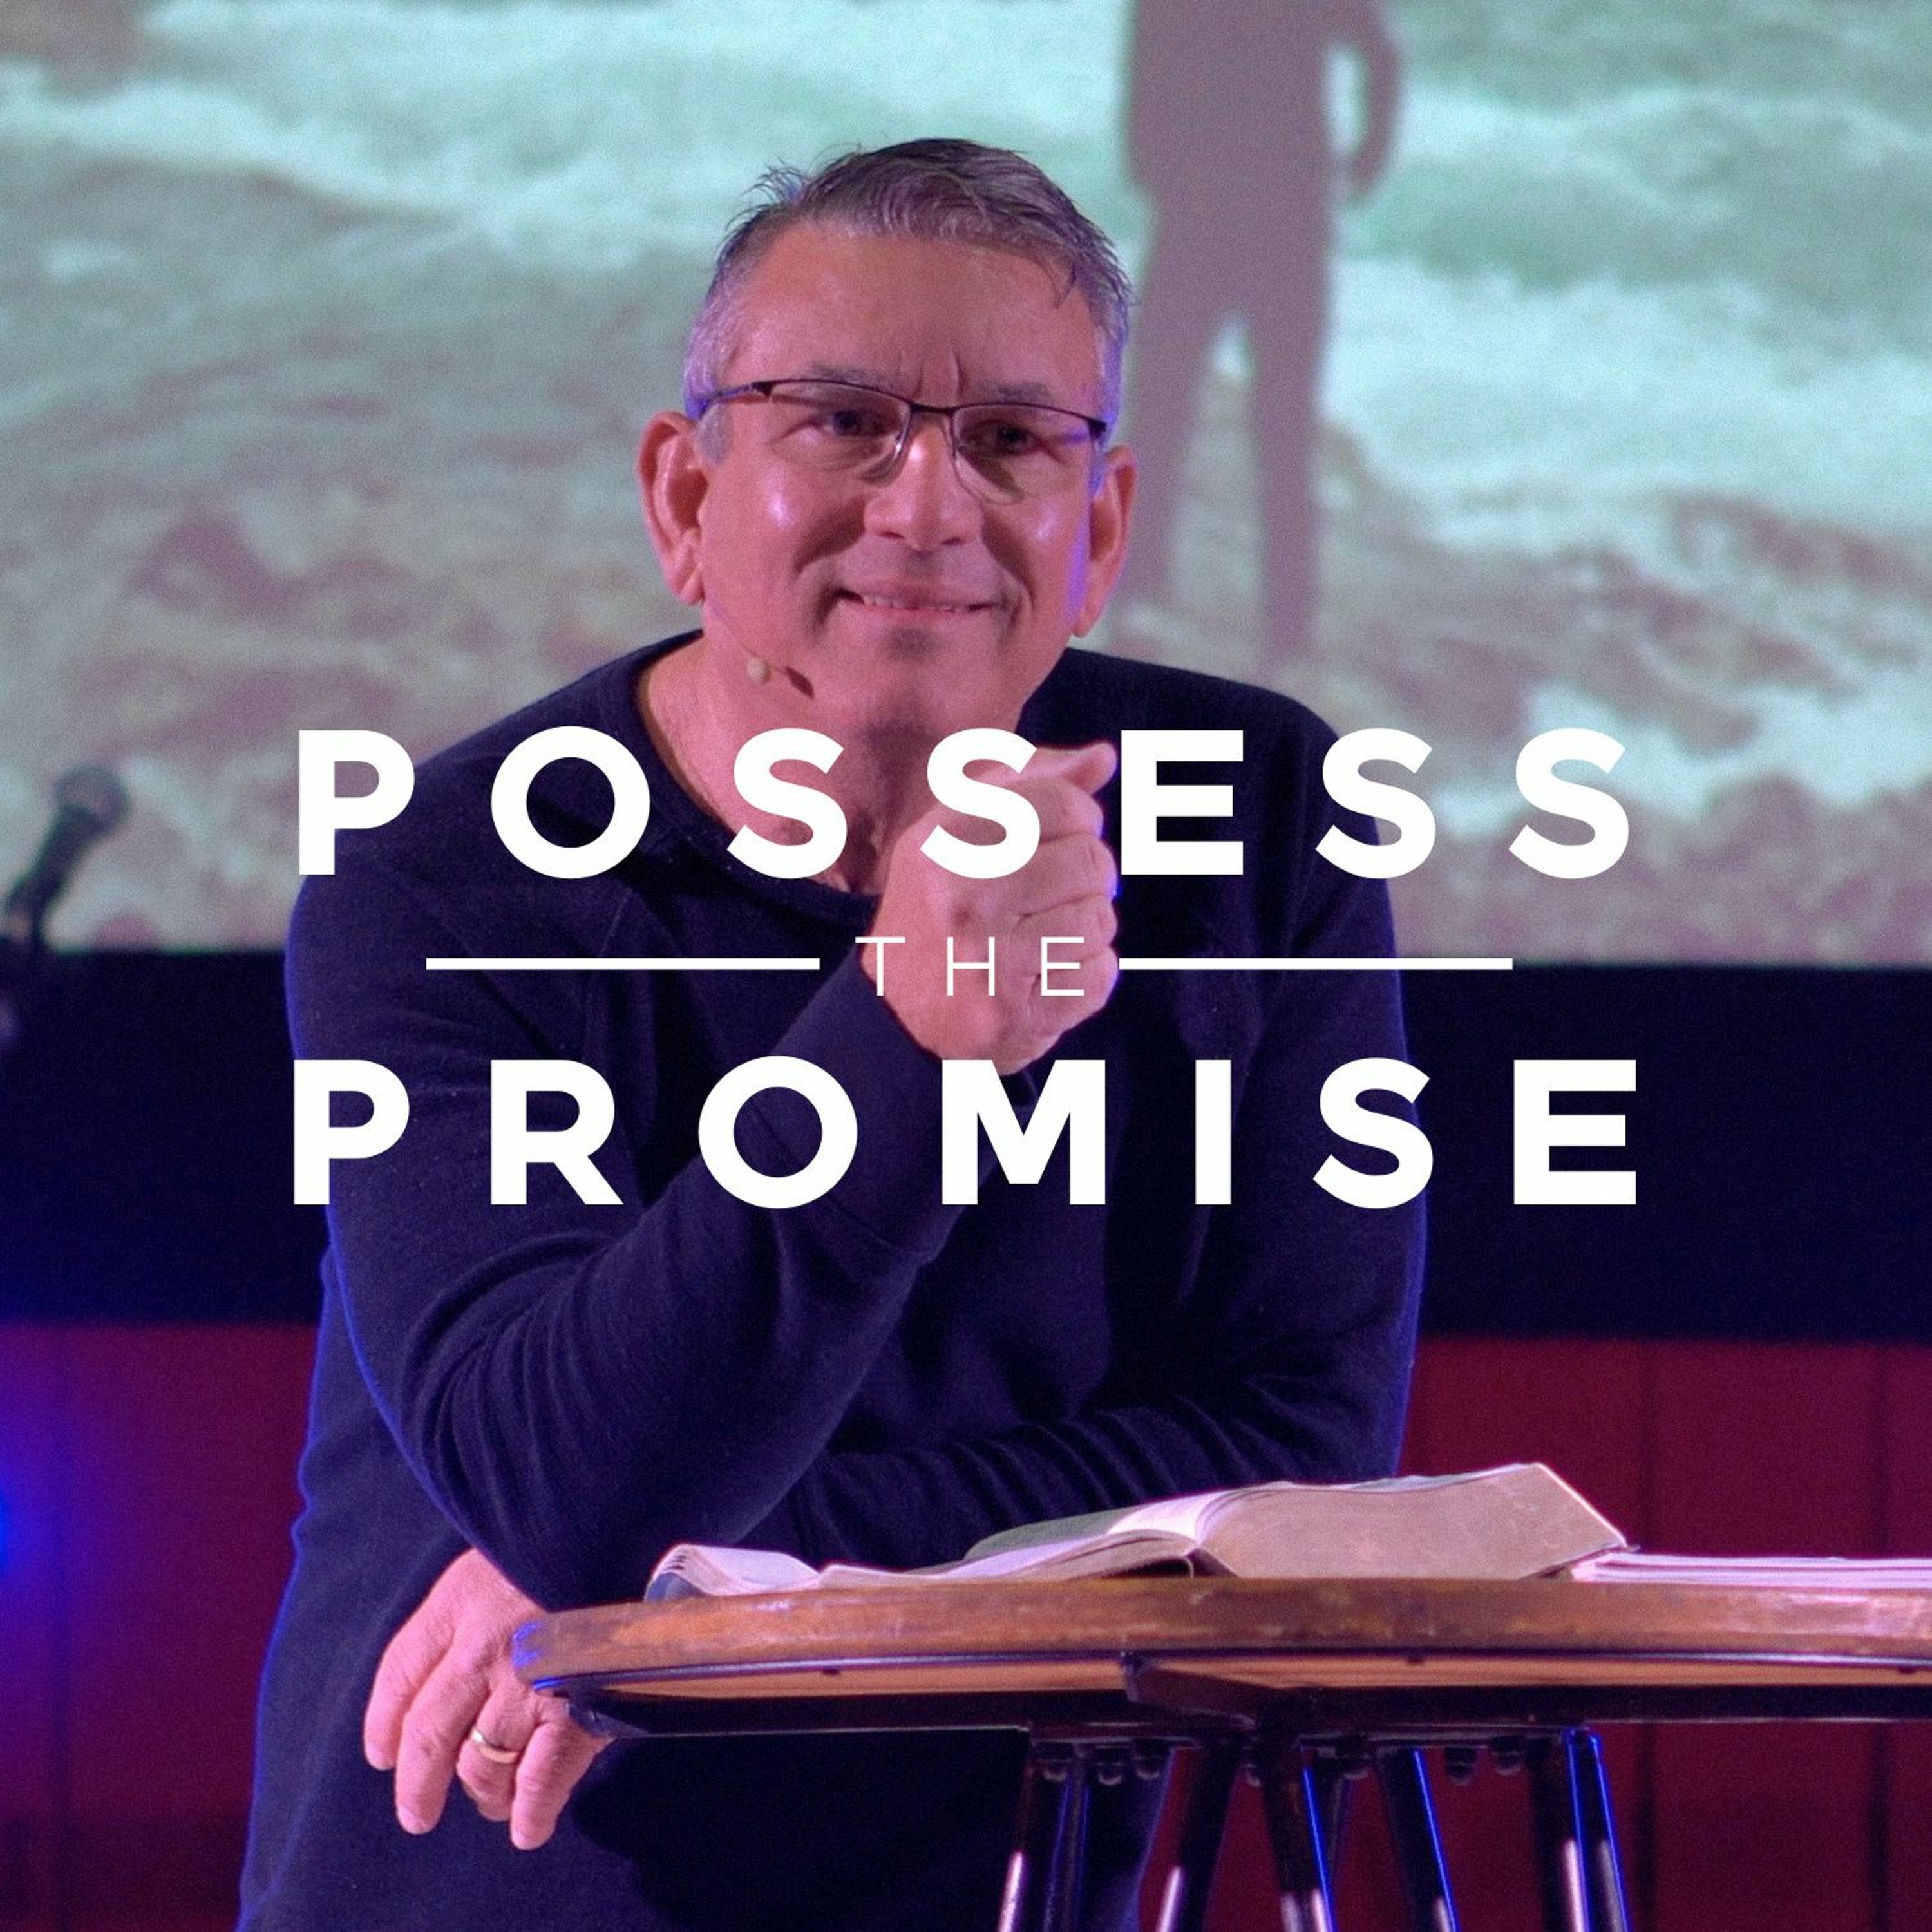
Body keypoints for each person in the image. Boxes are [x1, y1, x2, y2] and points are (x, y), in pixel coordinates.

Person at [241, 139, 1423, 1929]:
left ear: (1099, 532)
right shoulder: (443, 876)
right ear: (683, 495)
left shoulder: (1257, 819)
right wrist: (907, 1038)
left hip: (995, 1875)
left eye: (1011, 440)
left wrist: (721, 1577)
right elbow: (563, 1475)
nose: (927, 506)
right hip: (511, 1874)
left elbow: (1299, 1451)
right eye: (845, 423)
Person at [1117, 0, 1401, 665]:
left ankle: (1147, 596)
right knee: (1277, 427)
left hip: (1203, 207)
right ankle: (1284, 629)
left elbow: (1145, 70)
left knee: (1166, 412)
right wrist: (1367, 155)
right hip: (1281, 209)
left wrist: (1152, 162)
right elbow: (1381, 55)